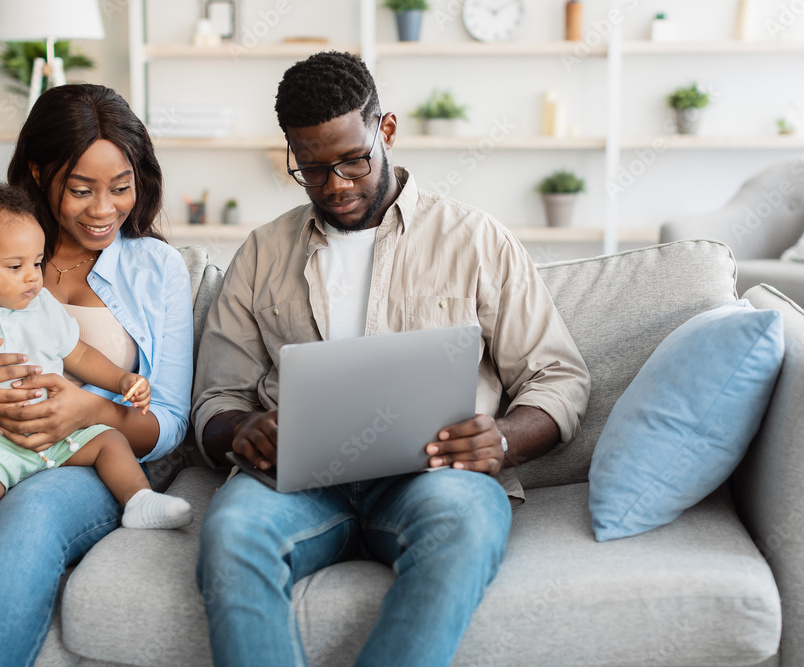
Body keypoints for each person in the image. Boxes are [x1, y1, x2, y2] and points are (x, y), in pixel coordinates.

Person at [192, 51, 591, 666]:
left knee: (463, 527)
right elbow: (217, 398)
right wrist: (240, 430)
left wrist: (505, 440)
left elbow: (558, 376)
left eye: (354, 159)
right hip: (298, 485)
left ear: (386, 130)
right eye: (313, 169)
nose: (337, 185)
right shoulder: (262, 252)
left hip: (432, 481)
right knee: (231, 533)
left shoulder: (475, 239)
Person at [0, 84, 194, 666]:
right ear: (38, 171)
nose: (103, 210)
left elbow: (172, 421)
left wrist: (94, 409)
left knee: (18, 543)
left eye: (121, 187)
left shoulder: (158, 270)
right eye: (80, 189)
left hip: (77, 455)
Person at [0, 182, 193, 594]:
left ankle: (138, 501)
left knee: (108, 441)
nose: (33, 278)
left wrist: (123, 380)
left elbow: (80, 355)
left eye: (37, 263)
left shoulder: (42, 307)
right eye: (15, 267)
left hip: (55, 435)